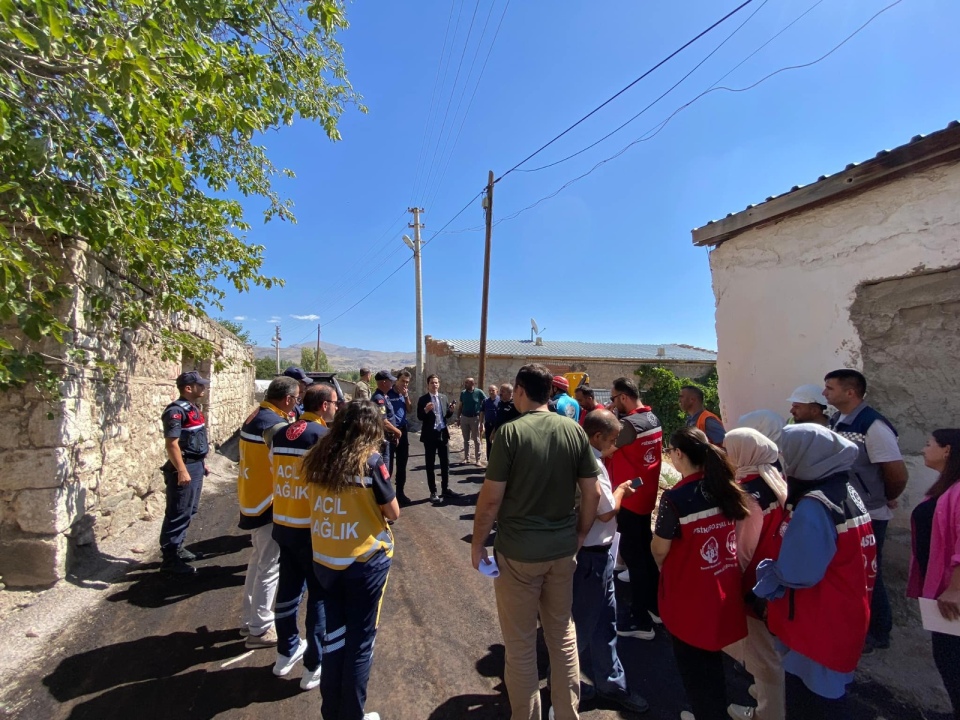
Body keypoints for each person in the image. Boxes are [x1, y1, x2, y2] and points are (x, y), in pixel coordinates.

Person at [471, 363, 601, 720]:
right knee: (562, 636)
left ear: (520, 391)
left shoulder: (509, 434)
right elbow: (592, 493)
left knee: (521, 645)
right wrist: (580, 534)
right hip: (562, 551)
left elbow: (491, 499)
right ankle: (567, 714)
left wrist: (477, 543)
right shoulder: (574, 432)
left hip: (518, 554)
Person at [753, 425, 876, 720]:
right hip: (845, 612)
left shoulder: (813, 506)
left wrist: (766, 576)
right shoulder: (844, 490)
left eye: (787, 453)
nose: (783, 460)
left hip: (816, 623)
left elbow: (796, 572)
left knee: (813, 704)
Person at [302, 401, 400, 720]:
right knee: (360, 643)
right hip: (364, 562)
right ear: (371, 429)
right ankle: (352, 714)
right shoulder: (371, 462)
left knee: (334, 639)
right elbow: (393, 512)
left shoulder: (317, 458)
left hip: (325, 559)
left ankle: (332, 712)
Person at [652, 426, 750, 720]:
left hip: (689, 593)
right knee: (712, 660)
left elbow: (659, 549)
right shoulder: (724, 486)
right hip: (721, 585)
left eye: (670, 451)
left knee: (693, 668)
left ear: (678, 454)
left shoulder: (675, 498)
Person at [824, 368, 908, 652]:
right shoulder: (837, 420)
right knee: (854, 572)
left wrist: (882, 497)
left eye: (830, 388)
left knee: (869, 572)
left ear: (850, 392)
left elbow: (896, 474)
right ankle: (858, 625)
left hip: (870, 513)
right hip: (849, 511)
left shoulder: (873, 426)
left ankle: (878, 632)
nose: (825, 393)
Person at [572, 409, 649, 714]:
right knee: (580, 628)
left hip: (599, 556)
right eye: (613, 438)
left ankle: (611, 683)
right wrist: (620, 491)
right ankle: (563, 684)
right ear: (597, 437)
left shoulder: (587, 457)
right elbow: (605, 511)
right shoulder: (590, 463)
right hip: (591, 558)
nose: (616, 444)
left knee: (605, 623)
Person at [268, 384, 337, 689]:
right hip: (311, 529)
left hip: (283, 523)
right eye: (334, 403)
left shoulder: (281, 431)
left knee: (288, 591)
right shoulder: (323, 437)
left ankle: (285, 652)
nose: (336, 407)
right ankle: (314, 665)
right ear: (323, 406)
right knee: (319, 597)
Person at [724, 427, 789, 720]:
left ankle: (768, 712)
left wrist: (731, 584)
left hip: (754, 580)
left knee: (763, 654)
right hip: (772, 570)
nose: (726, 454)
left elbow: (744, 548)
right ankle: (765, 691)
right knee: (767, 648)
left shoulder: (750, 493)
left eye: (730, 448)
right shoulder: (771, 478)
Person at [237, 375, 298, 648]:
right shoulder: (274, 425)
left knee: (257, 559)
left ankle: (249, 619)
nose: (296, 403)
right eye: (295, 399)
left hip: (252, 497)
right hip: (269, 502)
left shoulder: (256, 416)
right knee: (270, 566)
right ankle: (260, 629)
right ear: (287, 399)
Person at [907, 429, 960, 719]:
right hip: (942, 590)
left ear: (948, 450)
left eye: (929, 444)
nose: (924, 449)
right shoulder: (946, 486)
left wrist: (955, 588)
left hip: (953, 595)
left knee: (953, 660)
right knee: (948, 659)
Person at [606, 377, 663, 639]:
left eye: (614, 398)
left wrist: (606, 420)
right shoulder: (652, 419)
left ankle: (640, 620)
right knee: (646, 553)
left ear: (625, 398)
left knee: (635, 558)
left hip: (629, 497)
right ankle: (654, 607)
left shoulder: (629, 424)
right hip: (646, 493)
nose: (612, 403)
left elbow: (606, 449)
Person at [159, 371, 211, 576]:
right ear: (188, 388)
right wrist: (181, 469)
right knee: (178, 511)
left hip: (195, 465)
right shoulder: (175, 411)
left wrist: (202, 462)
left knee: (190, 509)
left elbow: (195, 439)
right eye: (200, 385)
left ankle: (178, 547)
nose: (203, 388)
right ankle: (170, 559)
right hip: (185, 467)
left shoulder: (193, 409)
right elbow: (171, 444)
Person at [417, 374, 458, 502]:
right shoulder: (423, 399)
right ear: (428, 385)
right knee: (430, 464)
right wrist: (426, 410)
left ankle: (445, 489)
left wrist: (451, 411)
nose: (434, 385)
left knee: (445, 463)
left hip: (442, 434)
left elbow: (445, 416)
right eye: (432, 383)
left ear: (439, 384)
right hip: (430, 436)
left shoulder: (443, 397)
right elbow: (419, 416)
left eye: (436, 382)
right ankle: (433, 492)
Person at [387, 370, 413, 507]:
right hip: (390, 432)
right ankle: (388, 496)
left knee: (402, 464)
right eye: (403, 381)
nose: (404, 384)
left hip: (403, 431)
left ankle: (400, 493)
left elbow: (409, 409)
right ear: (396, 380)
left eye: (407, 382)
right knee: (388, 465)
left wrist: (406, 396)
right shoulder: (388, 394)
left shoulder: (404, 394)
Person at [371, 370, 403, 472]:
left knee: (388, 469)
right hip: (382, 440)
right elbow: (383, 421)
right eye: (390, 381)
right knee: (384, 471)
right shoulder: (378, 399)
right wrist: (397, 431)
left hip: (389, 438)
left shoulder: (385, 396)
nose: (392, 383)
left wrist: (394, 434)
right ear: (384, 382)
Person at [458, 377, 486, 464]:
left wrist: (482, 418)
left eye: (467, 383)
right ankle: (466, 458)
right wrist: (458, 418)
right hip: (464, 418)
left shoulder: (479, 392)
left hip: (475, 418)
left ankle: (478, 460)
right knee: (466, 439)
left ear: (473, 384)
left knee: (476, 439)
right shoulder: (463, 393)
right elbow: (460, 406)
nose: (465, 384)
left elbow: (485, 402)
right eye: (465, 382)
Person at [482, 383, 500, 461]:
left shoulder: (500, 401)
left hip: (497, 425)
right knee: (488, 443)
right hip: (488, 425)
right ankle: (489, 461)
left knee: (497, 444)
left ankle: (496, 461)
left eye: (493, 390)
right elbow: (482, 412)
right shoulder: (485, 401)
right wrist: (481, 423)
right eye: (490, 390)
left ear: (497, 391)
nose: (491, 392)